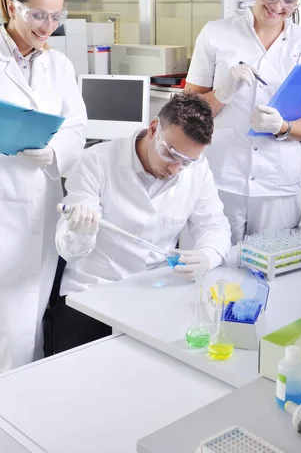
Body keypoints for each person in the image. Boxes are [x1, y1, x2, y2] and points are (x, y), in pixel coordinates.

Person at [0, 0, 87, 376]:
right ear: (10, 8)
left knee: (31, 314)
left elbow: (76, 125)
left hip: (41, 202)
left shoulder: (60, 65)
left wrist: (53, 150)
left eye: (56, 17)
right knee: (0, 322)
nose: (48, 26)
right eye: (38, 15)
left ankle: (19, 395)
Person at [53, 92, 231, 352]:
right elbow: (69, 250)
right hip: (93, 294)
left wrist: (208, 255)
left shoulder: (197, 170)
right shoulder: (97, 161)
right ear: (153, 128)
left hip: (153, 294)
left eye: (187, 161)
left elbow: (214, 225)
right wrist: (79, 232)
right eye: (170, 154)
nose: (175, 169)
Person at [185, 0, 301, 244]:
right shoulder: (215, 33)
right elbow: (188, 114)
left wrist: (283, 128)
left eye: (290, 0)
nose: (277, 6)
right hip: (223, 179)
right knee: (214, 268)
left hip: (278, 188)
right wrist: (223, 92)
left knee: (272, 274)